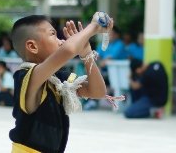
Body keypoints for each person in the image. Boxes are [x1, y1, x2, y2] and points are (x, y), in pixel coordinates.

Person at [8, 14, 110, 153]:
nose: (61, 40)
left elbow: (98, 92)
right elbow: (68, 49)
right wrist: (92, 27)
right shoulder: (26, 75)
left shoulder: (58, 79)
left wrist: (86, 52)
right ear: (32, 46)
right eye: (53, 35)